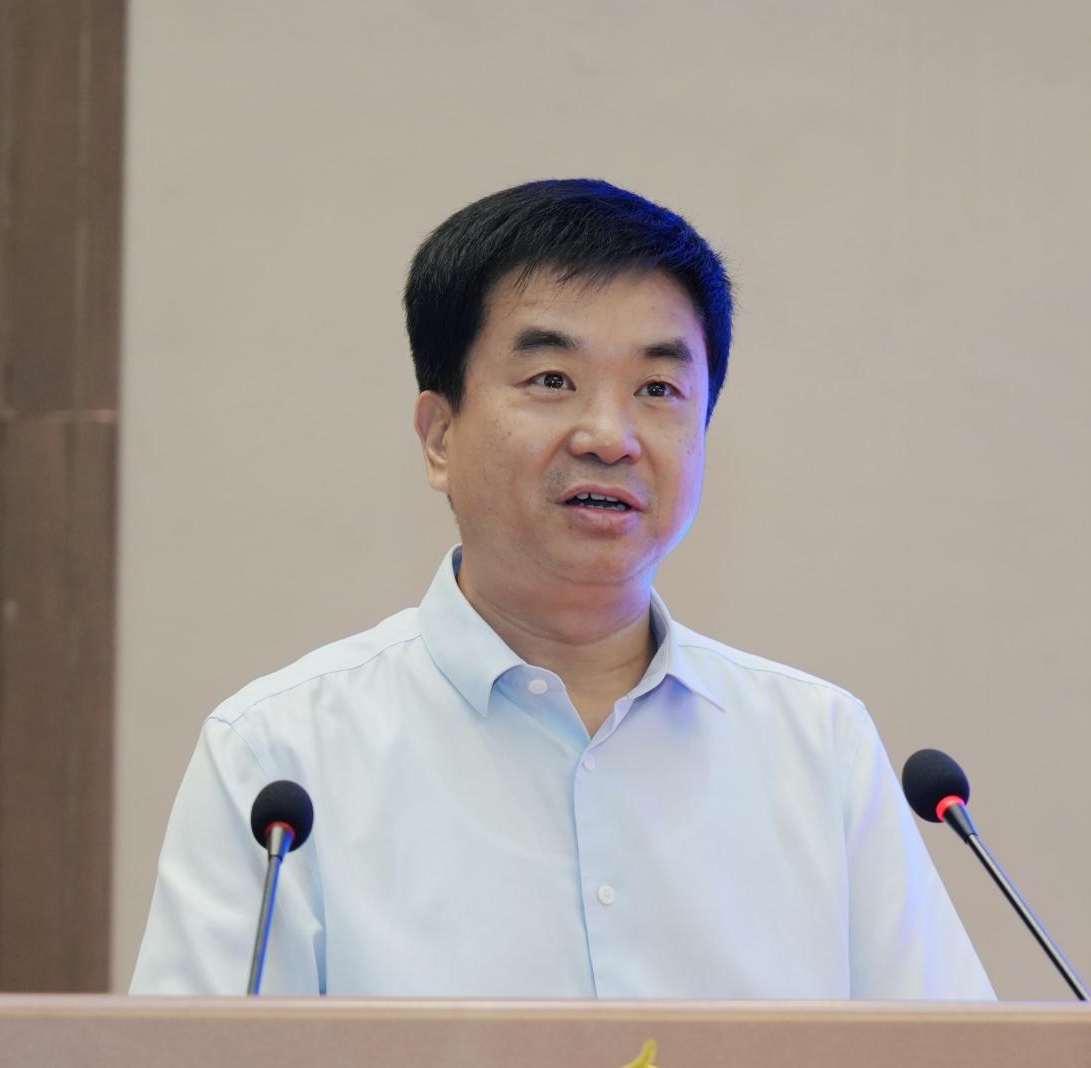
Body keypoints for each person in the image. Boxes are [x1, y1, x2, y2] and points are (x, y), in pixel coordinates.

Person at [130, 179, 992, 999]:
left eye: (658, 389)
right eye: (552, 381)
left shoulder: (819, 749)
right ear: (439, 436)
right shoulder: (281, 760)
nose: (610, 436)